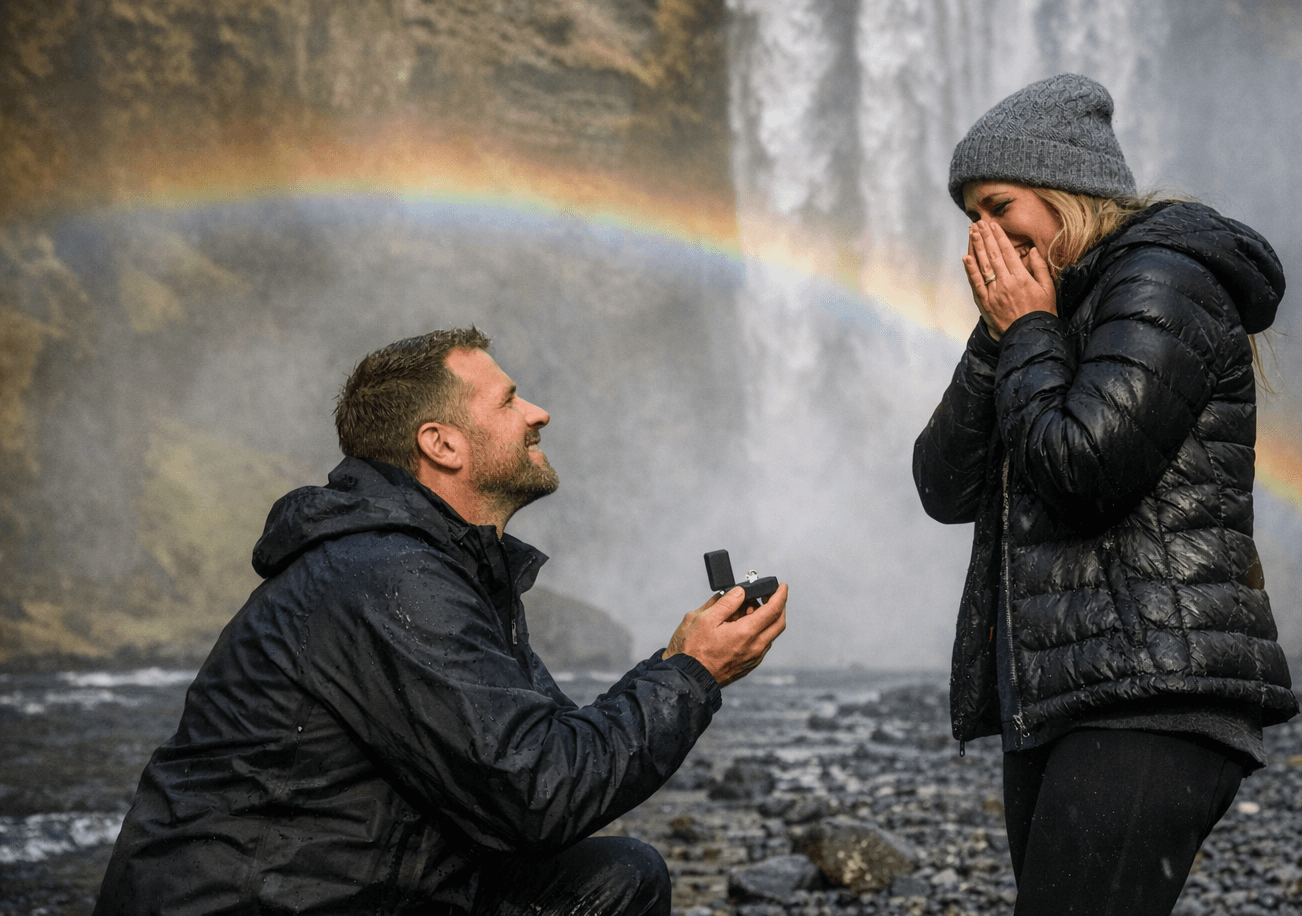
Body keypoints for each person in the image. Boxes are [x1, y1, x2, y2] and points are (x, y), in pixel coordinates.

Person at [95, 327, 788, 916]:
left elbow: (542, 760)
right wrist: (693, 672)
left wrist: (680, 661)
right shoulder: (385, 577)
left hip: (353, 887)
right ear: (442, 444)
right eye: (511, 400)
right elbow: (539, 795)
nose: (539, 413)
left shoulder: (438, 571)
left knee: (617, 879)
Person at [912, 74, 1298, 916]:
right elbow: (943, 486)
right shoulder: (1046, 311)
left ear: (1066, 191)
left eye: (999, 206)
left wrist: (1028, 331)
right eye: (970, 217)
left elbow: (1085, 470)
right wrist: (1002, 334)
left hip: (1155, 694)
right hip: (1061, 691)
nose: (983, 236)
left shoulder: (1166, 281)